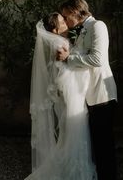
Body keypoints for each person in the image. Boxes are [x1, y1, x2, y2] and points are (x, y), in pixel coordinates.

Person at [24, 12, 97, 180]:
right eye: (62, 21)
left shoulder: (60, 41)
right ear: (56, 29)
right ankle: (73, 173)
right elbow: (63, 70)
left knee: (70, 131)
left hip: (71, 93)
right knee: (74, 129)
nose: (66, 21)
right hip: (72, 93)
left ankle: (71, 169)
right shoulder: (60, 43)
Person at [57, 0, 117, 180]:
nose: (66, 20)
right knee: (93, 145)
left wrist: (69, 59)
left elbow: (98, 59)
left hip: (100, 94)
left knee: (103, 145)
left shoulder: (98, 26)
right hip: (85, 95)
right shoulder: (80, 30)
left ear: (76, 11)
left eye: (67, 16)